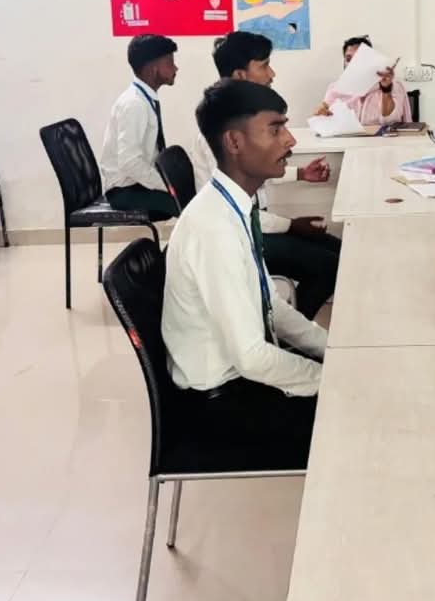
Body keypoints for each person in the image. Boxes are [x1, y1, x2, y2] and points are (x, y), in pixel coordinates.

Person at [162, 79, 325, 467]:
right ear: (234, 142)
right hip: (221, 403)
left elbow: (271, 304)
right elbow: (251, 358)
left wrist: (331, 350)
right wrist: (329, 379)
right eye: (275, 129)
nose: (290, 140)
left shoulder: (233, 207)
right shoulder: (213, 228)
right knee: (364, 414)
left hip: (240, 376)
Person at [191, 32, 341, 318]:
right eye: (264, 65)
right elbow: (238, 211)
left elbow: (254, 170)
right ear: (241, 75)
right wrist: (291, 225)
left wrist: (301, 173)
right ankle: (289, 329)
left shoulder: (244, 117)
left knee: (339, 251)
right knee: (329, 266)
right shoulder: (222, 132)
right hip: (240, 236)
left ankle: (291, 326)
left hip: (256, 223)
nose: (272, 74)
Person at [98, 33, 179, 218]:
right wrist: (167, 186)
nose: (175, 68)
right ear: (152, 68)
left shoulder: (144, 98)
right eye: (169, 62)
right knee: (187, 204)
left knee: (190, 196)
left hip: (137, 183)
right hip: (124, 192)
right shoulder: (134, 104)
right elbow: (129, 162)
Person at [314, 35, 413, 125]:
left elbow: (391, 121)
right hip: (347, 139)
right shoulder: (335, 88)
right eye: (348, 59)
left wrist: (386, 90)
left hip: (381, 139)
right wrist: (321, 113)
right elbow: (324, 112)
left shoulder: (393, 85)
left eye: (358, 59)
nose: (352, 64)